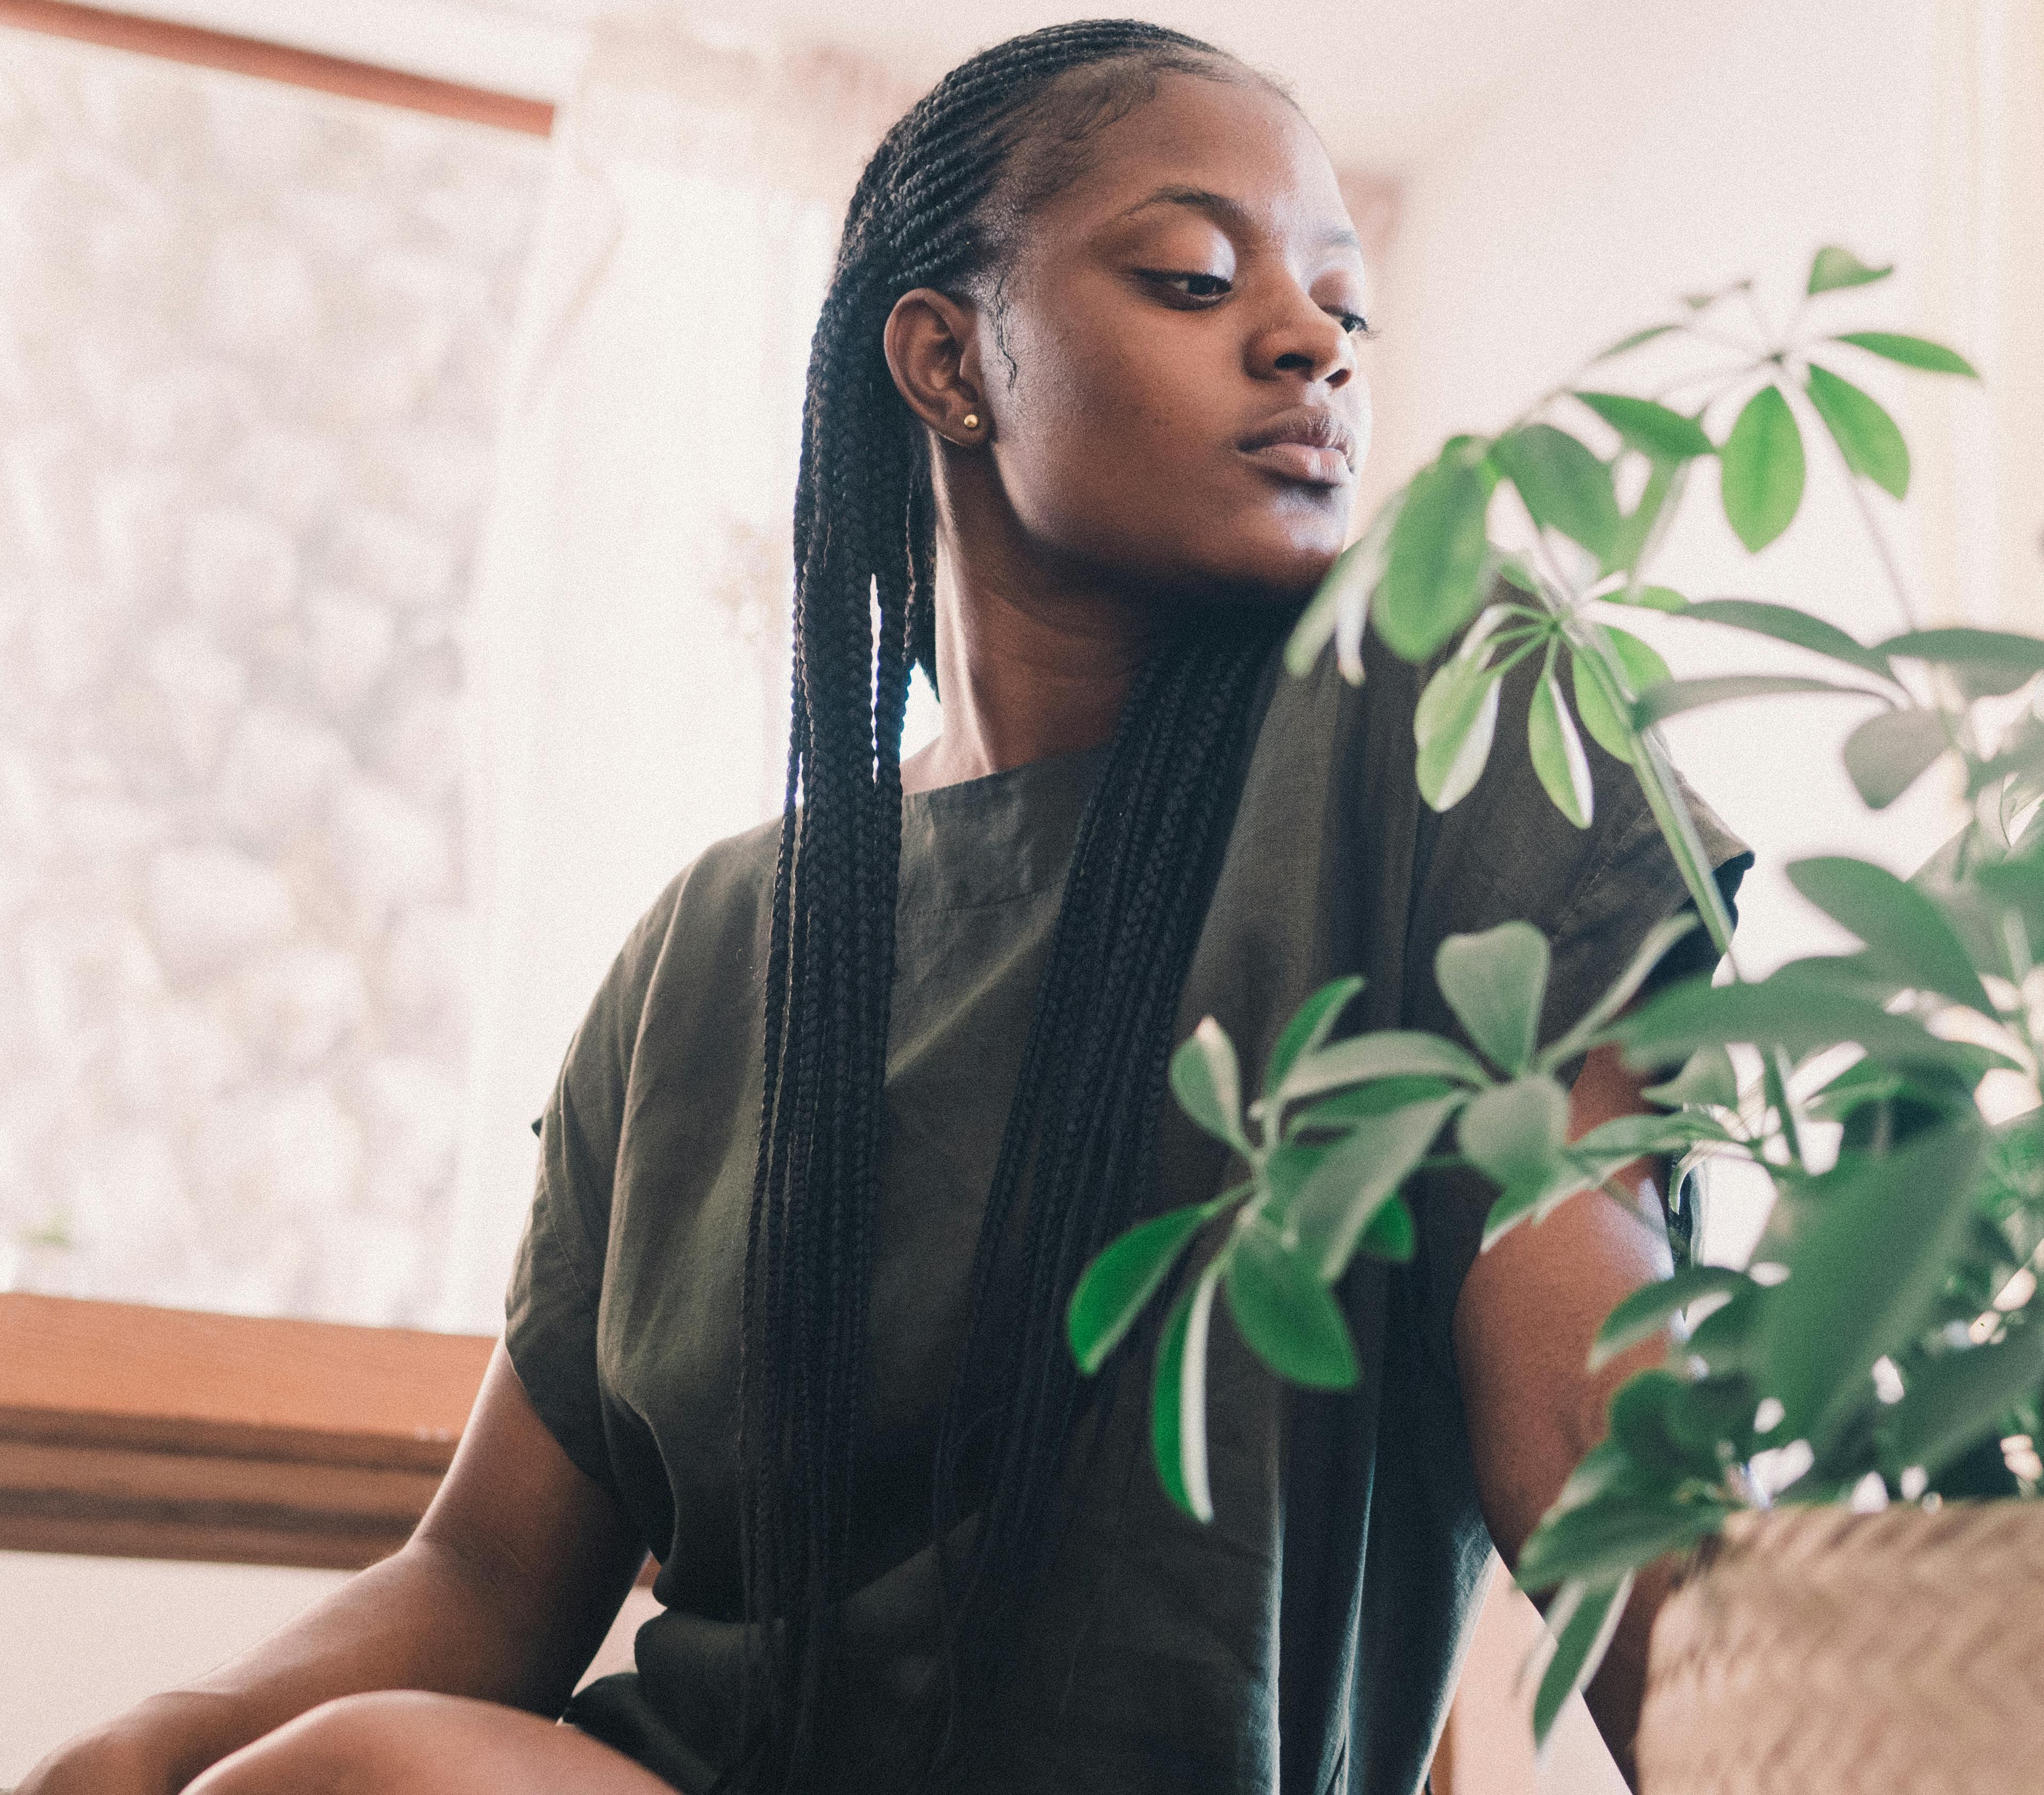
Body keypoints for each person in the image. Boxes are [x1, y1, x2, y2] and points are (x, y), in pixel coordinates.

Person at [22, 20, 1745, 1794]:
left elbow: (1591, 1397)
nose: (1309, 342)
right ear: (945, 360)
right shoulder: (709, 952)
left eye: (1342, 307)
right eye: (1191, 275)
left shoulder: (1456, 726)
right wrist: (150, 1745)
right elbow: (484, 1574)